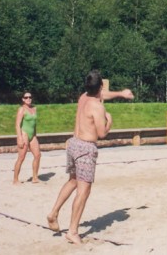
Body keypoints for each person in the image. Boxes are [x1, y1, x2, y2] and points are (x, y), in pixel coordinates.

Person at [47, 71, 134, 244]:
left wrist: (121, 94)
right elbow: (102, 133)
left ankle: (53, 213)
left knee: (72, 181)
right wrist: (110, 121)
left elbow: (102, 94)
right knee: (83, 191)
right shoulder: (97, 106)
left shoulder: (83, 97)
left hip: (73, 143)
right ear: (101, 86)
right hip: (86, 148)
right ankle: (72, 231)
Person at [13, 91, 41, 184]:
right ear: (23, 99)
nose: (28, 99)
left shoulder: (34, 108)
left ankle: (35, 178)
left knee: (38, 155)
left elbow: (34, 124)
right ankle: (15, 179)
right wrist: (19, 138)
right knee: (21, 157)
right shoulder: (21, 109)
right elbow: (17, 125)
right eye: (26, 97)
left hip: (32, 136)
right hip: (24, 135)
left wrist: (35, 135)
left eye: (30, 97)